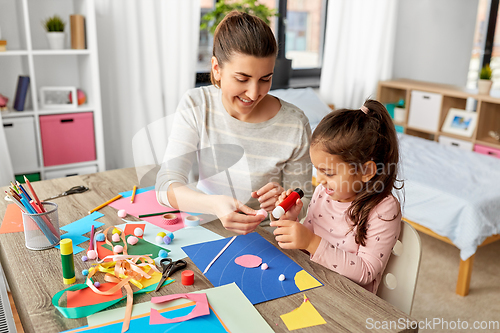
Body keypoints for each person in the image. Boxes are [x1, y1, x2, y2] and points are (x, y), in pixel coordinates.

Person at [156, 10, 312, 235]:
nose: (253, 92)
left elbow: (304, 198)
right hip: (206, 227)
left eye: (265, 79)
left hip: (266, 238)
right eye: (242, 79)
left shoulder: (295, 124)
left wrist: (287, 205)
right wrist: (215, 205)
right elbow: (165, 188)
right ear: (216, 69)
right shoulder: (197, 104)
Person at [270, 99, 401, 293]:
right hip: (312, 283)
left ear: (366, 171)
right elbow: (306, 250)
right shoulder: (324, 192)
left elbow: (366, 271)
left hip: (347, 298)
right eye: (317, 170)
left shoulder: (383, 208)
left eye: (329, 173)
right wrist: (291, 222)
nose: (320, 179)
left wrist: (311, 242)